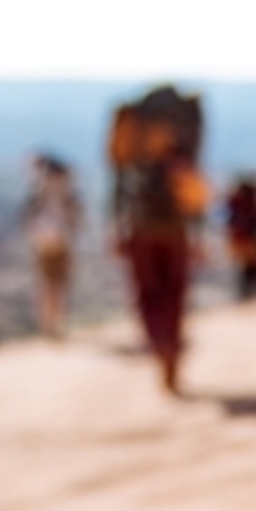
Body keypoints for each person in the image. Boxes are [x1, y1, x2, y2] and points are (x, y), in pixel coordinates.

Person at [108, 85, 207, 393]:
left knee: (148, 293)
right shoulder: (185, 137)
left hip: (142, 227)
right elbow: (194, 187)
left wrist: (117, 225)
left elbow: (118, 179)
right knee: (173, 293)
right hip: (176, 229)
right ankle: (169, 348)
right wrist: (199, 233)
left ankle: (162, 344)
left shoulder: (134, 135)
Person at [21, 152, 82, 337]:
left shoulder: (45, 195)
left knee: (55, 285)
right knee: (52, 285)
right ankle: (51, 323)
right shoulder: (58, 194)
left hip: (55, 243)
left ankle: (53, 323)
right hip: (51, 243)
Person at [224, 173, 256, 298]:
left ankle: (249, 290)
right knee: (255, 264)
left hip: (239, 238)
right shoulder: (250, 203)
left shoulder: (235, 203)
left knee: (249, 266)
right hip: (250, 238)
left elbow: (229, 222)